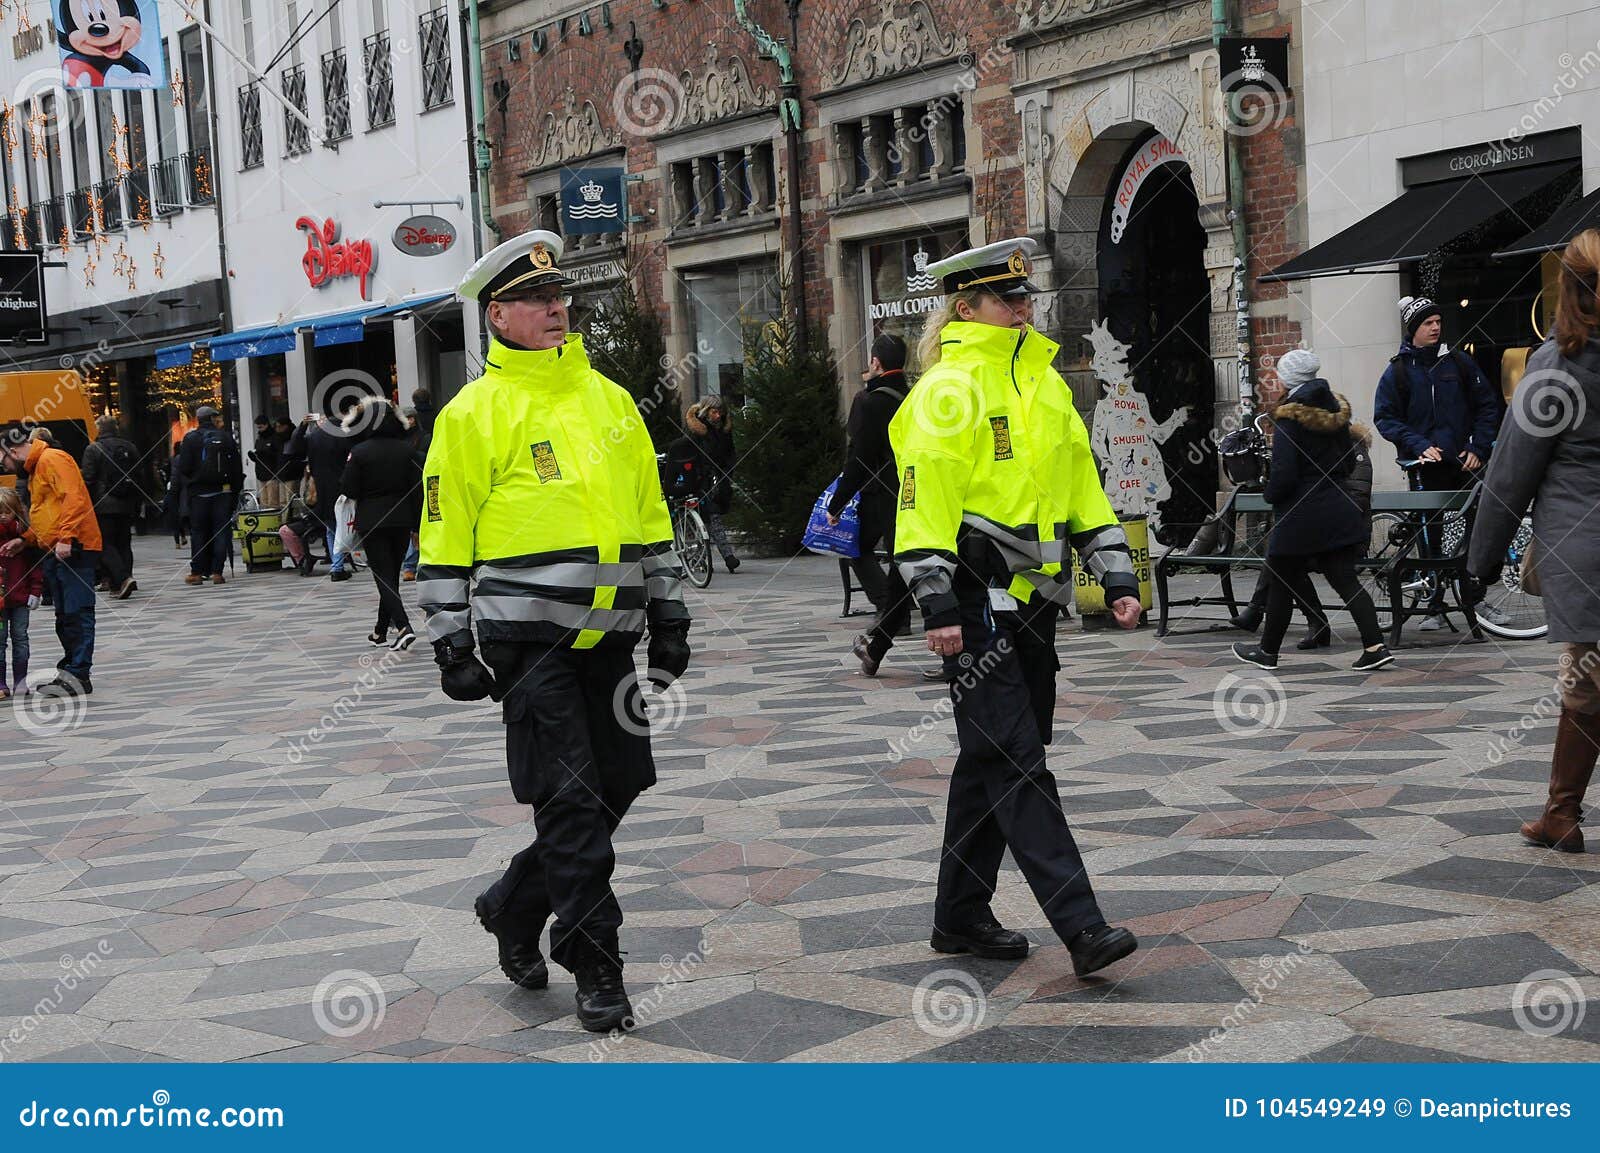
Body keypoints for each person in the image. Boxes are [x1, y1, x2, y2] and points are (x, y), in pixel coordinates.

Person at [419, 229, 691, 1032]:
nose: (556, 309)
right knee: (571, 801)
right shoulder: (473, 412)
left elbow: (650, 515)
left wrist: (669, 610)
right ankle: (595, 959)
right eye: (538, 300)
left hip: (611, 635)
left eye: (560, 296)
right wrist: (448, 636)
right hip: (525, 641)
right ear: (497, 313)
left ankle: (513, 903)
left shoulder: (609, 400)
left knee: (621, 783)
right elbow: (444, 530)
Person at [890, 237, 1140, 978]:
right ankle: (1083, 925)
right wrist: (936, 601)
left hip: (1036, 603)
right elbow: (921, 501)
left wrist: (1117, 573)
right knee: (1018, 763)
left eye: (1026, 296)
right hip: (972, 601)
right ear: (965, 306)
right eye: (1008, 298)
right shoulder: (945, 389)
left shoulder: (1047, 385)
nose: (1023, 308)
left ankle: (960, 913)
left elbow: (1082, 487)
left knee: (989, 760)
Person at [1469, 228, 1600, 853]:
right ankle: (1559, 814)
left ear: (1566, 290)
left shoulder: (1555, 368)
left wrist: (1480, 560)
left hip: (1585, 553)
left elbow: (1510, 473)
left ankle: (1562, 814)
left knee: (1588, 685)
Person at [1233, 349, 1395, 672]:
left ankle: (1267, 653)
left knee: (1280, 577)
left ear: (1288, 379)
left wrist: (1270, 492)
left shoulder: (1290, 419)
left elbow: (1284, 475)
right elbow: (1348, 462)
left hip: (1300, 517)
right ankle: (1375, 646)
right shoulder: (1334, 412)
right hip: (1336, 510)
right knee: (1345, 579)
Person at [1374, 295, 1505, 630]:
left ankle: (1475, 598)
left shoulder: (1459, 363)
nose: (1435, 328)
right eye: (1427, 323)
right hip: (1425, 465)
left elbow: (1487, 406)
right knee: (1429, 533)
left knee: (1477, 529)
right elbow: (1386, 418)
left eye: (1437, 322)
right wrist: (1418, 445)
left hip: (1464, 463)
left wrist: (1479, 446)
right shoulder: (1398, 371)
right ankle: (1434, 603)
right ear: (1413, 329)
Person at [828, 334, 916, 675]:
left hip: (882, 493)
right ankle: (888, 629)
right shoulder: (914, 396)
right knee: (905, 558)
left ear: (876, 363)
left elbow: (859, 459)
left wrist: (837, 502)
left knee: (866, 550)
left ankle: (888, 615)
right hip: (915, 489)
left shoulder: (869, 402)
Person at [0, 423, 101, 697]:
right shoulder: (37, 468)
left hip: (73, 547)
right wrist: (27, 539)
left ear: (15, 450)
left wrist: (66, 537)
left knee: (77, 612)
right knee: (65, 614)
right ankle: (71, 670)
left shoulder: (52, 459)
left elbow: (74, 499)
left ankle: (78, 673)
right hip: (56, 548)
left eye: (4, 459)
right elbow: (47, 514)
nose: (5, 467)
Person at [339, 397, 422, 650]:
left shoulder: (360, 452)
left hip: (372, 519)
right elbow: (417, 490)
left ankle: (404, 626)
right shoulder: (408, 450)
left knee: (383, 577)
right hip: (402, 519)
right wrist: (417, 527)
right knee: (390, 576)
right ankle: (379, 631)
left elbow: (349, 488)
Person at [667, 397, 739, 573]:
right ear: (706, 411)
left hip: (716, 478)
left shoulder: (723, 431)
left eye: (720, 412)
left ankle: (710, 557)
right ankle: (722, 557)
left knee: (711, 516)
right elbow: (690, 454)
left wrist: (727, 473)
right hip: (697, 478)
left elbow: (730, 454)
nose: (718, 415)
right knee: (707, 516)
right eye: (714, 411)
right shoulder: (696, 430)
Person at [177, 405, 244, 586]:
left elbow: (183, 467)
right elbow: (236, 468)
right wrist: (235, 491)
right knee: (221, 531)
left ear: (199, 419)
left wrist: (191, 484)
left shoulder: (190, 439)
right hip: (222, 492)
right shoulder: (225, 438)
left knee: (198, 532)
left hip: (199, 494)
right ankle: (217, 572)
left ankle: (197, 572)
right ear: (213, 419)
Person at [79, 414, 142, 600]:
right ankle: (124, 579)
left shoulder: (93, 449)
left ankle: (121, 579)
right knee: (124, 542)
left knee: (106, 544)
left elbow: (88, 478)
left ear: (99, 429)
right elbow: (140, 474)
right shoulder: (130, 447)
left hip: (103, 504)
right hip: (127, 503)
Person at [290, 407, 357, 581]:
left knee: (332, 528)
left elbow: (294, 448)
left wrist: (303, 425)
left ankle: (337, 566)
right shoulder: (345, 435)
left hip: (322, 489)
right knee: (344, 527)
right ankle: (339, 565)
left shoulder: (314, 437)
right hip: (343, 488)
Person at [0, 487, 42, 698]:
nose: (3, 517)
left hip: (21, 597)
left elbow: (34, 566)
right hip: (0, 601)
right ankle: (1, 684)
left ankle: (20, 681)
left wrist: (36, 590)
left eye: (7, 512)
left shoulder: (25, 541)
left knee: (20, 638)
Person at [401, 388, 436, 583]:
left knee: (419, 525)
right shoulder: (400, 439)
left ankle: (412, 564)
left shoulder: (423, 438)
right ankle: (412, 563)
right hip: (407, 485)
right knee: (413, 526)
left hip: (420, 484)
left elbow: (429, 459)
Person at [273, 416, 303, 504]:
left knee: (291, 500)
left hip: (292, 473)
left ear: (285, 426)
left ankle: (293, 517)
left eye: (279, 426)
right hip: (282, 473)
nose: (277, 429)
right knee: (282, 501)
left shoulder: (294, 436)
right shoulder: (278, 438)